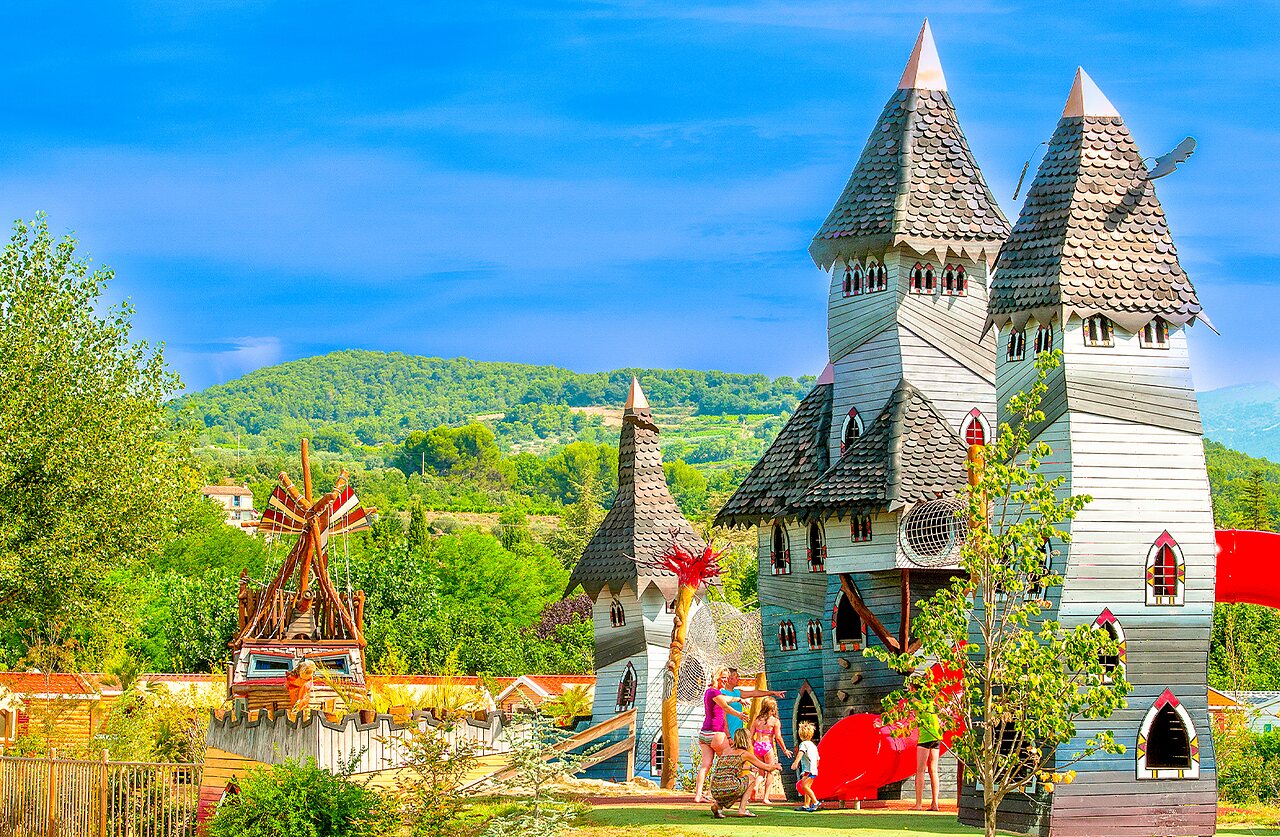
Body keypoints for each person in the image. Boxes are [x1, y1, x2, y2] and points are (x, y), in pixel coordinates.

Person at [693, 668, 785, 803]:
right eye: (733, 677)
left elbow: (754, 693)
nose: (737, 679)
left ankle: (701, 794)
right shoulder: (718, 693)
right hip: (721, 734)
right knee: (728, 764)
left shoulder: (728, 693)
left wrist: (772, 692)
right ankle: (718, 793)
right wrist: (738, 716)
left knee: (710, 765)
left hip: (716, 733)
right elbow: (724, 709)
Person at [707, 728, 780, 818]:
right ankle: (742, 809)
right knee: (751, 779)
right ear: (746, 739)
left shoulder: (725, 751)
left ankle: (718, 806)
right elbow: (767, 767)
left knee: (727, 785)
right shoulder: (744, 754)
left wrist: (749, 767)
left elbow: (730, 767)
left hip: (715, 789)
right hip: (729, 786)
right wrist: (776, 766)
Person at [749, 697, 791, 804]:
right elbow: (778, 737)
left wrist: (754, 745)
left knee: (761, 772)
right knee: (770, 771)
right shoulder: (775, 721)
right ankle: (765, 797)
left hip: (757, 746)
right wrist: (785, 750)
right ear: (773, 709)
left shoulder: (757, 720)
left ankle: (756, 786)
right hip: (767, 746)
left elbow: (750, 736)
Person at [914, 702, 942, 811]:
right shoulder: (930, 699)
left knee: (920, 770)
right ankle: (935, 803)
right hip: (936, 735)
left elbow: (902, 714)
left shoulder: (915, 700)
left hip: (925, 737)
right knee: (933, 770)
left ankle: (918, 804)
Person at [791, 721, 820, 812]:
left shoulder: (803, 744)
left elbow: (801, 753)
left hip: (808, 769)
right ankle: (806, 805)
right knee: (807, 787)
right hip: (813, 769)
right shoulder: (813, 745)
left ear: (800, 734)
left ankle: (815, 802)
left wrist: (795, 763)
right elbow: (817, 759)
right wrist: (815, 767)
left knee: (804, 787)